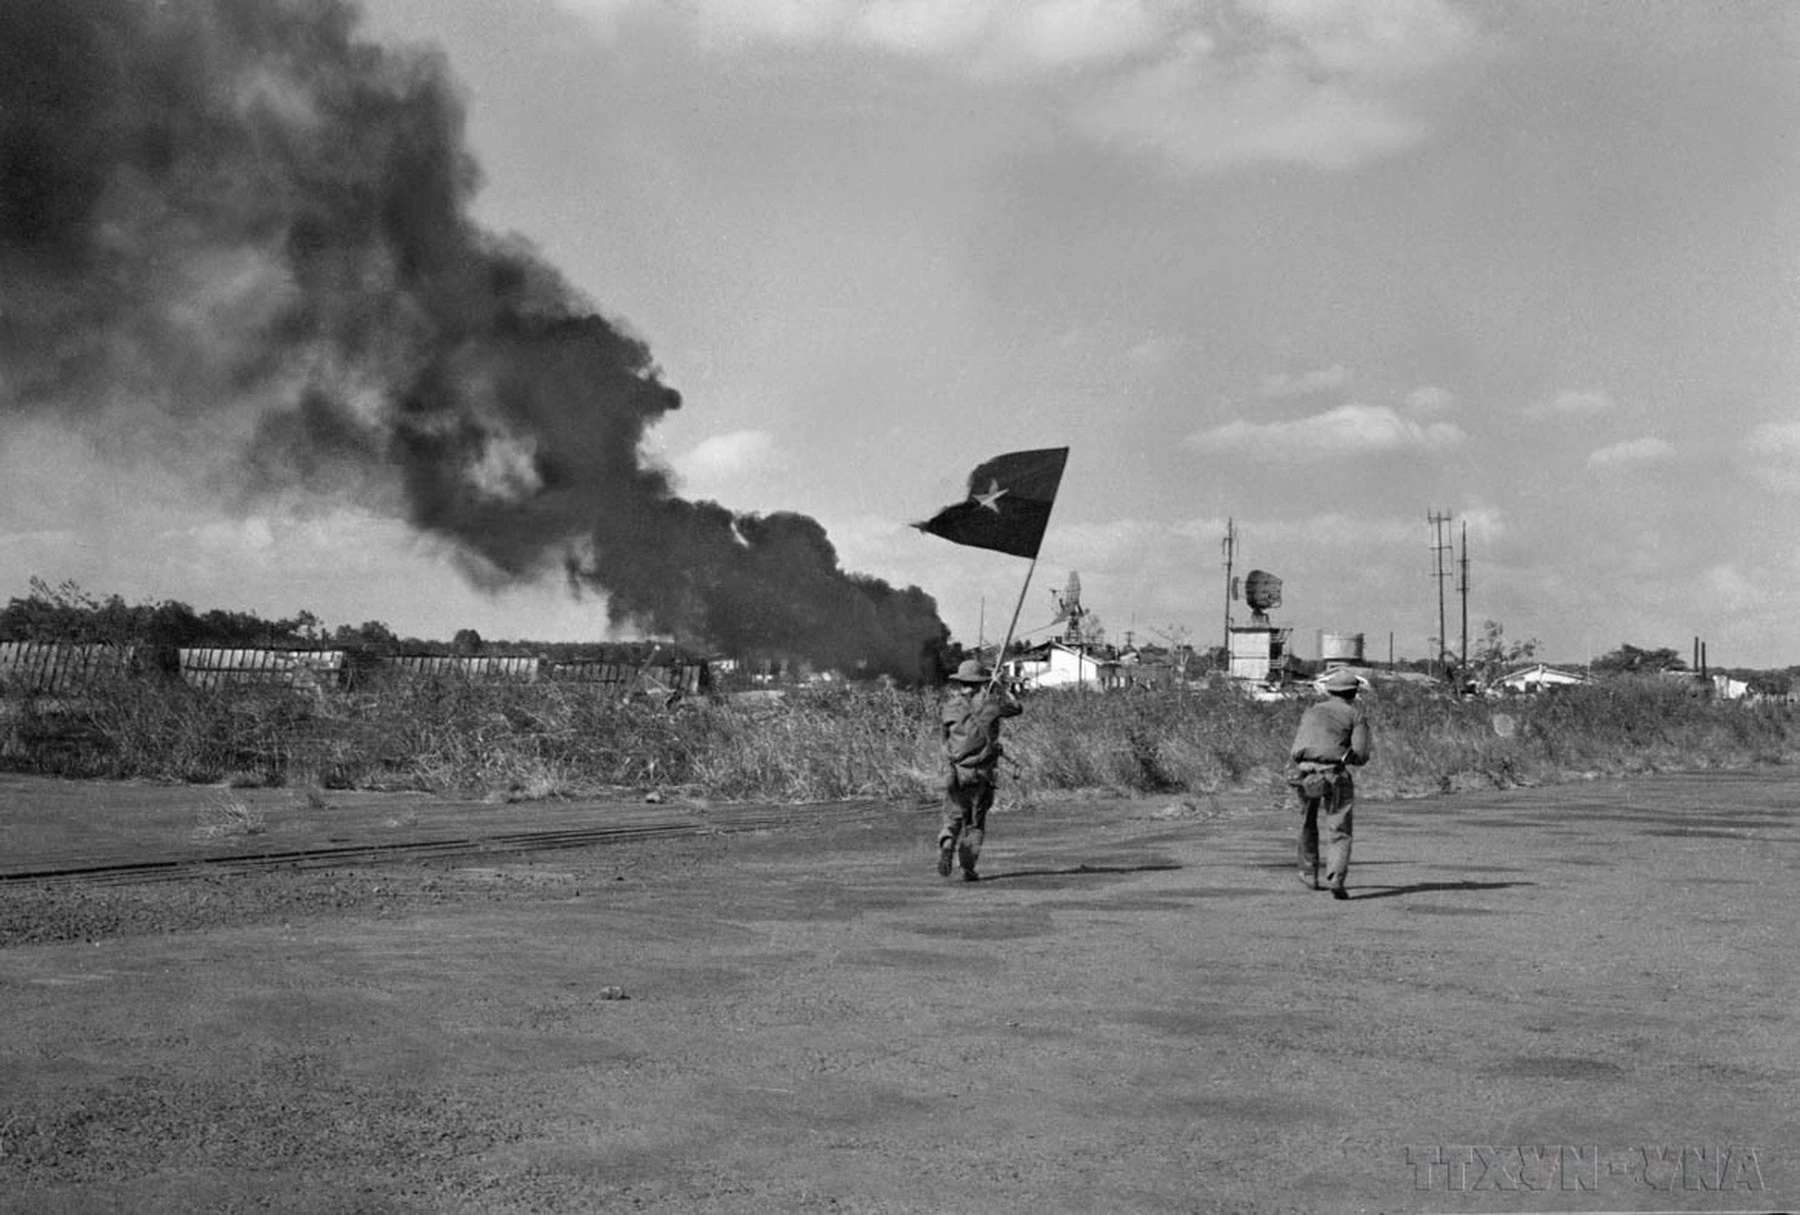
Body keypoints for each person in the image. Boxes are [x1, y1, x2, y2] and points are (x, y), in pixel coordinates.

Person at [1289, 667, 1373, 900]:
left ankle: (1308, 873)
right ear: (1354, 693)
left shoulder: (1312, 712)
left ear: (1329, 691)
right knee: (1339, 828)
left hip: (1305, 772)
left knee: (1307, 823)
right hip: (1334, 774)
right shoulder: (1355, 716)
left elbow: (1297, 747)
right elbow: (1361, 754)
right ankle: (1336, 877)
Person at [937, 658, 1022, 882]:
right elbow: (1016, 708)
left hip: (956, 772)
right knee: (974, 824)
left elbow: (944, 740)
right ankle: (967, 868)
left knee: (953, 815)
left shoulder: (949, 708)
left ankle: (947, 842)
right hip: (982, 773)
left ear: (960, 682)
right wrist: (1001, 687)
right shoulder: (991, 704)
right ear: (981, 681)